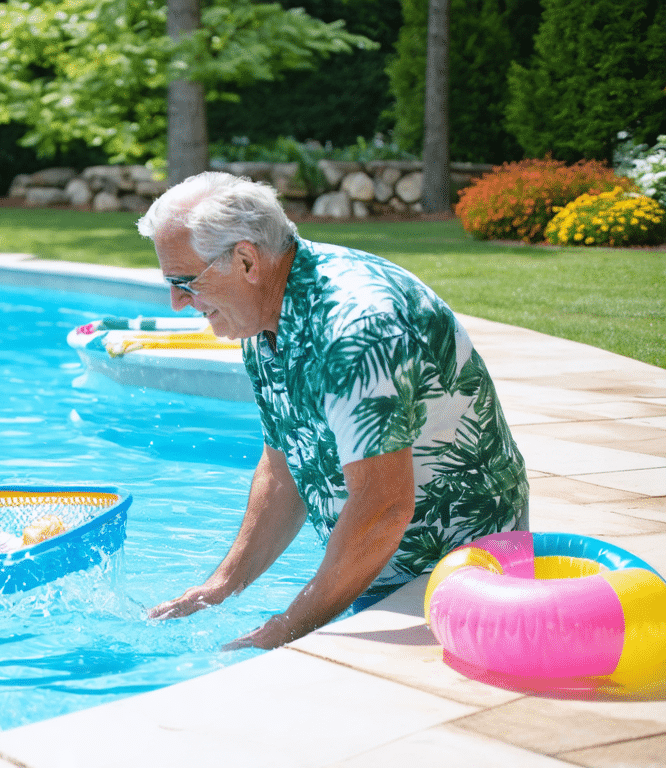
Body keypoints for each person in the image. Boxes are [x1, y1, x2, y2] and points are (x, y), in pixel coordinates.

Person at [140, 172, 528, 648]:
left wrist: (287, 628)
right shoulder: (263, 314)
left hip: (459, 578)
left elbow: (384, 506)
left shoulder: (357, 328)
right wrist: (219, 588)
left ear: (245, 261)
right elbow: (283, 467)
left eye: (185, 282)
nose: (177, 302)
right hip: (379, 566)